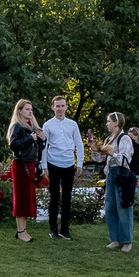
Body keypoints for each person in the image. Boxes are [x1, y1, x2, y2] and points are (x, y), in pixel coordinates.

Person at [41, 96, 85, 240]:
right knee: (54, 196)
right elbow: (44, 147)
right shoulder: (47, 125)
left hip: (68, 164)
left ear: (66, 107)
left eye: (62, 106)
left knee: (67, 197)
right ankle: (53, 229)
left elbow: (79, 144)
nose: (60, 109)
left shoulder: (72, 125)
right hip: (53, 164)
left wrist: (79, 164)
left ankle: (65, 230)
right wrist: (44, 166)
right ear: (52, 107)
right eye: (57, 106)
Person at [101, 112, 139, 252]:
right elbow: (101, 158)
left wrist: (111, 153)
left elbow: (125, 160)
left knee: (123, 205)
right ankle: (115, 239)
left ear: (116, 123)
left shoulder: (124, 139)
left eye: (109, 121)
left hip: (121, 174)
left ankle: (127, 240)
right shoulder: (109, 139)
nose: (107, 124)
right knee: (110, 206)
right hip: (111, 172)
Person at [7, 99, 43, 243]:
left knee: (27, 197)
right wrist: (30, 139)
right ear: (20, 111)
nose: (30, 111)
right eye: (27, 109)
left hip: (29, 163)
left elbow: (36, 147)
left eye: (31, 109)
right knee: (21, 197)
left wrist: (41, 139)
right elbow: (13, 144)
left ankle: (23, 230)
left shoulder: (30, 126)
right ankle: (20, 231)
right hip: (21, 164)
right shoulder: (17, 126)